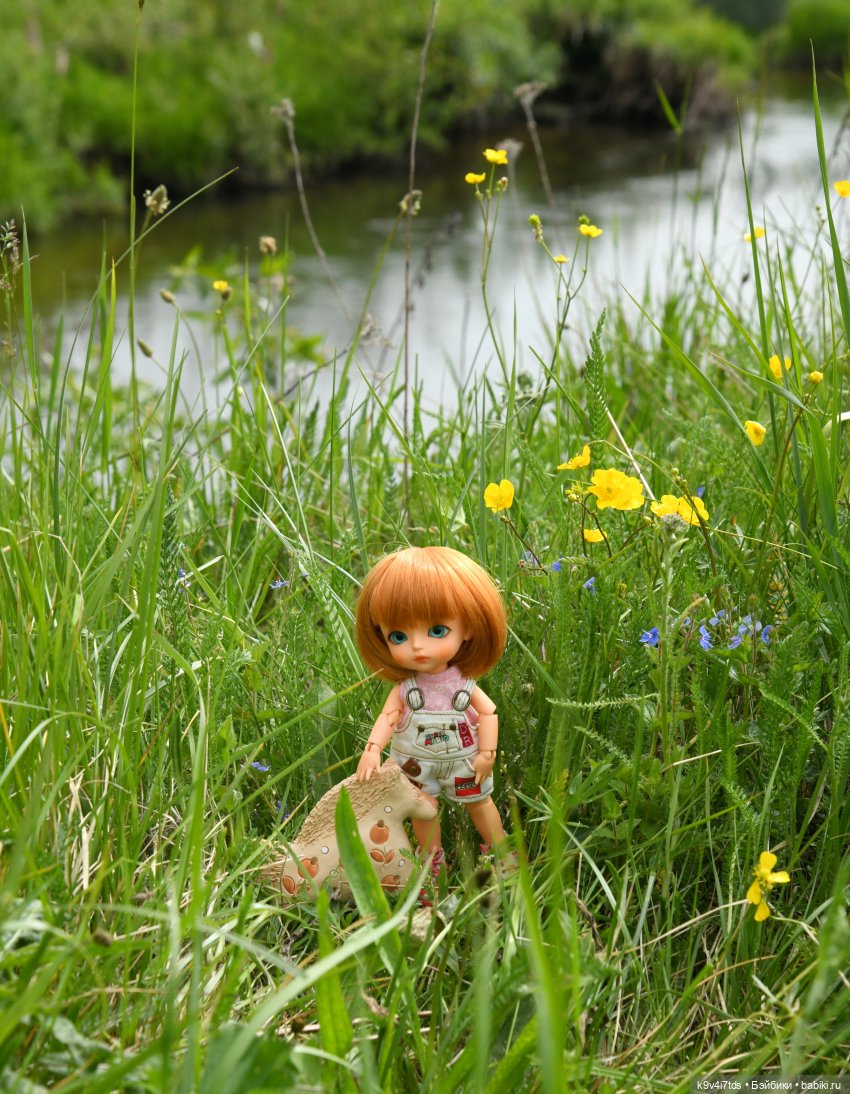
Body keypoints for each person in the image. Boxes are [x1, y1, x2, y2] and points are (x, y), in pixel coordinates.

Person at [354, 546, 509, 874]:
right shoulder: (405, 689)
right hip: (416, 765)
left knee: (479, 803)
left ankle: (502, 852)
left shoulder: (463, 685)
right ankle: (431, 864)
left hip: (465, 762)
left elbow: (488, 714)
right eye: (399, 636)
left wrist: (487, 753)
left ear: (468, 628)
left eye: (437, 630)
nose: (418, 646)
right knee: (423, 811)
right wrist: (372, 750)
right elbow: (388, 717)